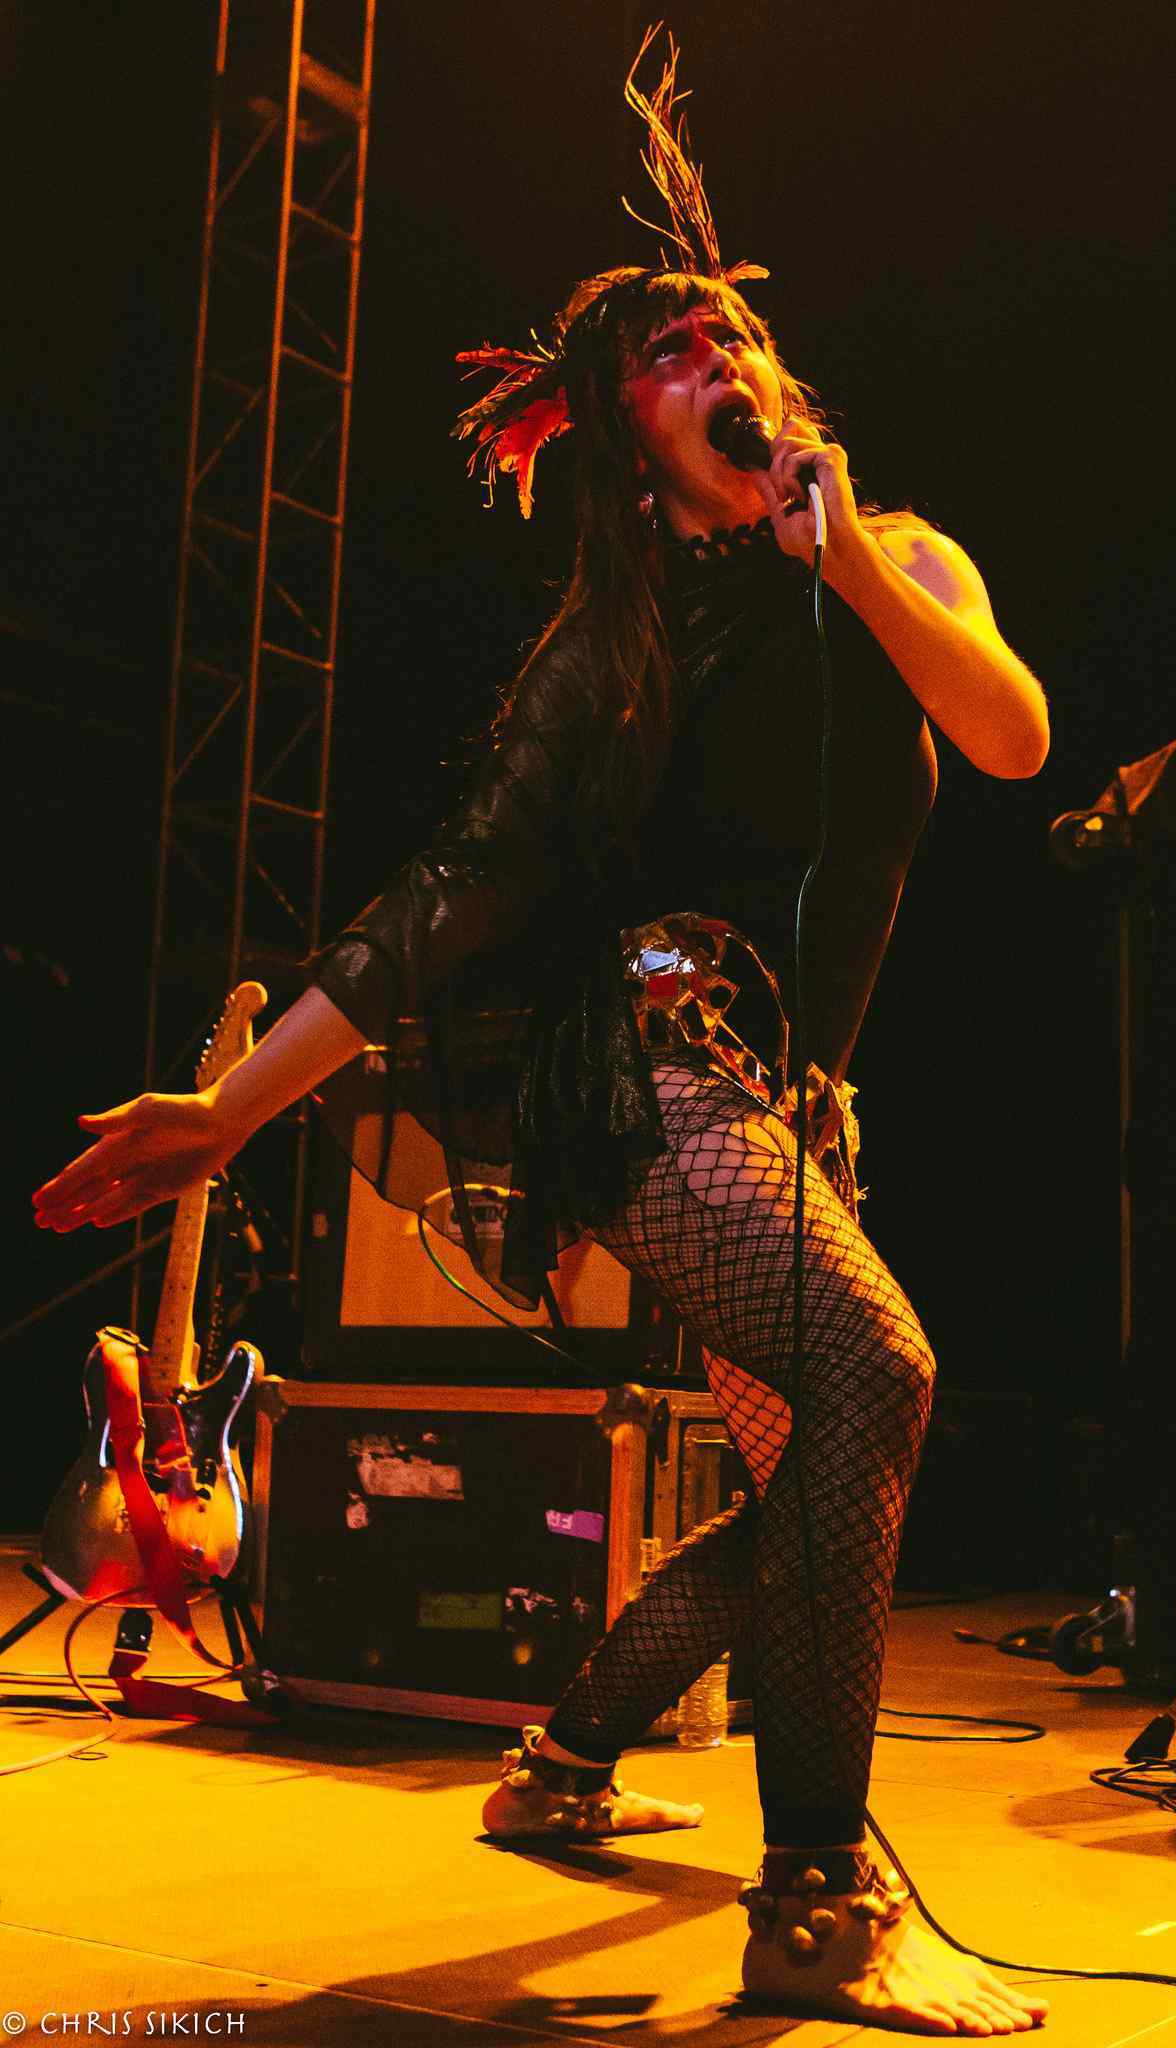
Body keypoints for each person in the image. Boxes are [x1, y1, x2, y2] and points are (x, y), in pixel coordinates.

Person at [34, 34, 1049, 2037]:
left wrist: (840, 550)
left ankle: (562, 1759)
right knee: (880, 1372)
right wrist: (228, 1110)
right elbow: (455, 892)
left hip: (785, 1107)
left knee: (817, 1484)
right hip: (636, 1074)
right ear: (622, 440)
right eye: (663, 360)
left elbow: (1010, 736)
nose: (710, 363)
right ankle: (817, 1899)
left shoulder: (899, 555)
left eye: (723, 334)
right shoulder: (619, 642)